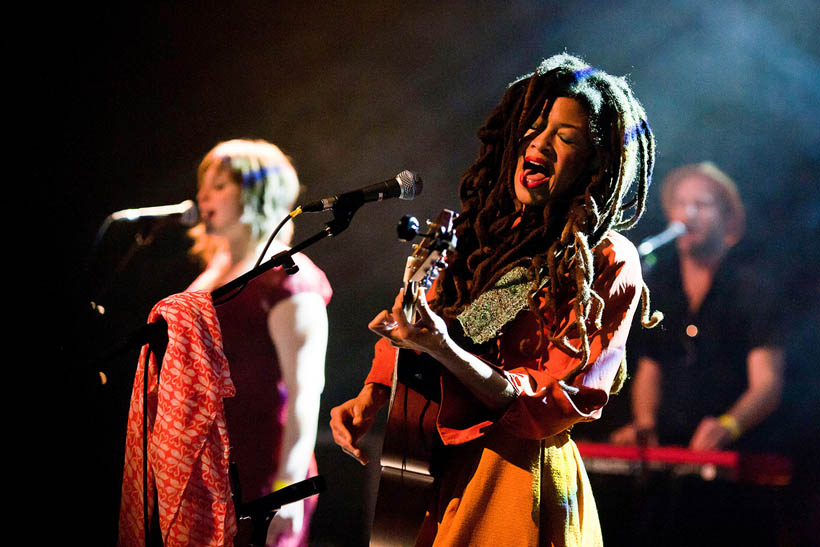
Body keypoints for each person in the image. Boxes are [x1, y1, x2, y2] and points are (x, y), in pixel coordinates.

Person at [330, 53, 660, 545]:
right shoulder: (484, 231)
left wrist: (445, 350)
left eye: (566, 139)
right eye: (535, 125)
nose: (540, 143)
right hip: (426, 465)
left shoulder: (605, 259)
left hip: (513, 479)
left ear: (596, 164)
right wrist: (374, 391)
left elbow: (555, 403)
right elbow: (419, 321)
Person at [186, 139, 331, 546]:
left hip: (262, 476)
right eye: (205, 184)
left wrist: (288, 491)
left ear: (255, 194)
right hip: (212, 470)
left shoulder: (287, 275)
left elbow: (305, 392)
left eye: (219, 185)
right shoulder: (215, 268)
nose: (203, 196)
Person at [610, 162, 785, 451]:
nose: (687, 214)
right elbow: (650, 367)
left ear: (728, 219)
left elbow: (767, 384)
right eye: (680, 203)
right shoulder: (660, 287)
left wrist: (729, 426)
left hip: (736, 451)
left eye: (701, 204)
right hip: (671, 449)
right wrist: (644, 425)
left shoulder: (751, 290)